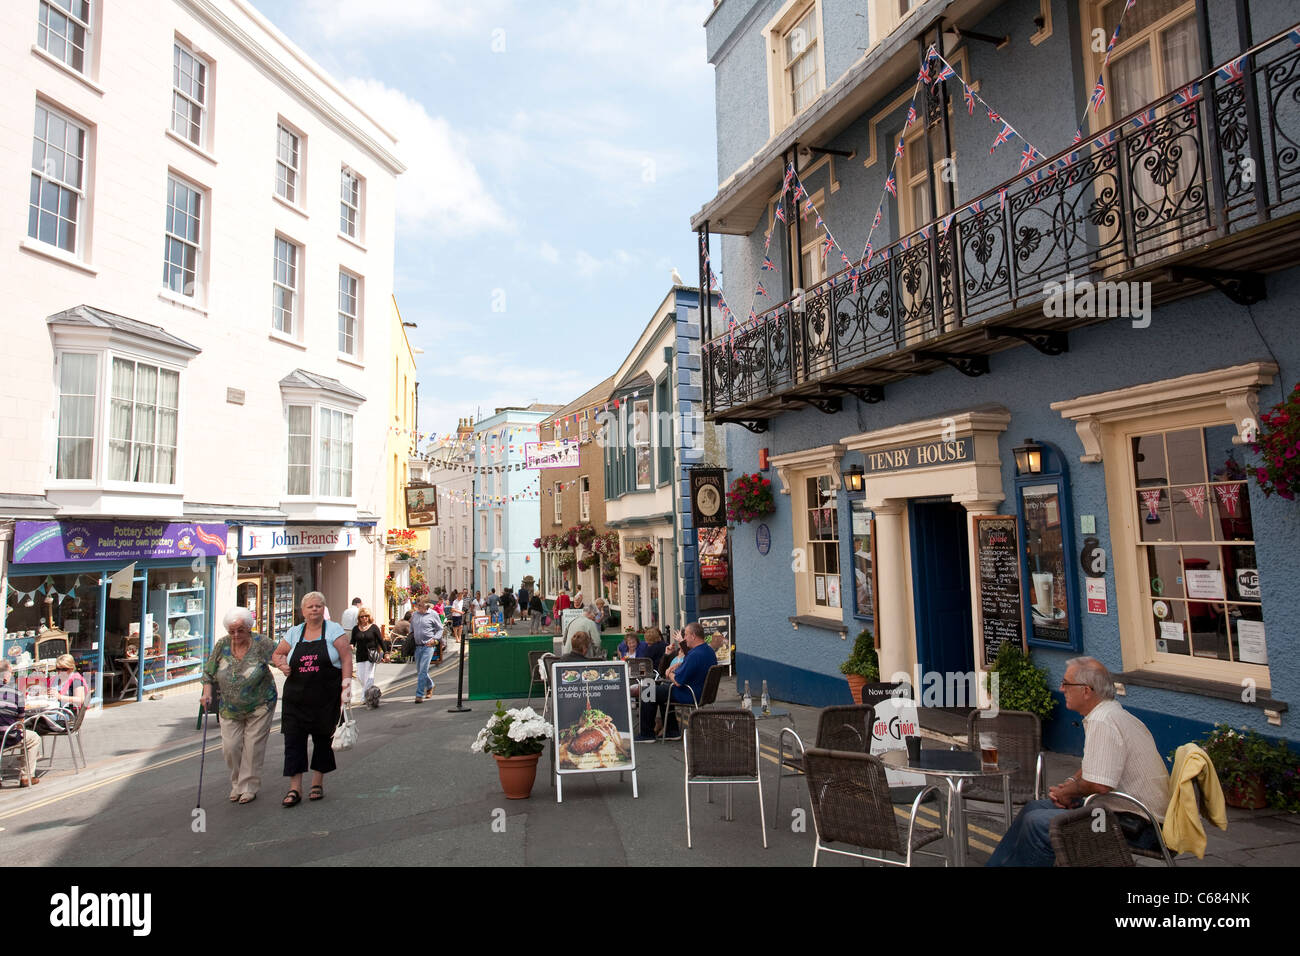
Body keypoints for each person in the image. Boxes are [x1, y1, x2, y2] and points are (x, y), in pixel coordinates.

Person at [986, 656, 1171, 866]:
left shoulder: (1103, 722)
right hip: (1121, 814)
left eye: (1066, 683)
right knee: (1033, 808)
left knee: (1037, 824)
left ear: (1086, 690)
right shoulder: (1110, 714)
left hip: (1139, 826)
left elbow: (1099, 784)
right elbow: (1095, 767)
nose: (1061, 688)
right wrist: (1070, 785)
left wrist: (1067, 793)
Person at [272, 592, 352, 807]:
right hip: (295, 698)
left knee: (322, 740)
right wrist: (282, 665)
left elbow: (346, 657)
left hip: (325, 697)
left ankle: (317, 782)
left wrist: (346, 686)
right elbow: (277, 654)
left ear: (323, 609)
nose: (314, 609)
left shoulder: (333, 630)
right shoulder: (294, 632)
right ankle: (294, 788)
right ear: (303, 611)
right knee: (293, 742)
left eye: (318, 606)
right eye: (310, 607)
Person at [201, 608, 278, 804]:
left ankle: (248, 786)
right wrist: (206, 693)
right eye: (232, 631)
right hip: (229, 707)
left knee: (252, 747)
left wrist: (286, 666)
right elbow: (209, 672)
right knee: (231, 747)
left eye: (240, 630)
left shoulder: (261, 643)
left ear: (249, 628)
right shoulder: (223, 645)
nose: (236, 635)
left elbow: (280, 657)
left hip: (260, 704)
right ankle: (236, 783)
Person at [637, 623, 717, 741]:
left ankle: (646, 734)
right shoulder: (708, 651)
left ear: (693, 636)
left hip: (689, 693)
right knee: (662, 690)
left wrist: (669, 672)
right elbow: (692, 667)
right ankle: (671, 730)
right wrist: (679, 665)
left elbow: (678, 681)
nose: (684, 639)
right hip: (703, 692)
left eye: (686, 635)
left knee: (648, 690)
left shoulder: (694, 655)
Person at [0, 659, 42, 786]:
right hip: (7, 737)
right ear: (7, 676)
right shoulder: (16, 694)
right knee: (33, 738)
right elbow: (20, 722)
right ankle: (26, 776)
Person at [36, 654, 90, 734]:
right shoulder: (55, 679)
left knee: (35, 721)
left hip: (67, 716)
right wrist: (43, 693)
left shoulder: (76, 680)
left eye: (63, 669)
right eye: (57, 669)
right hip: (53, 710)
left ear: (71, 669)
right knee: (31, 719)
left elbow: (80, 700)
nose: (59, 672)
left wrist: (60, 697)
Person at [408, 597, 444, 703]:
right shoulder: (415, 615)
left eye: (420, 605)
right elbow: (411, 629)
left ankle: (419, 695)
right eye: (417, 605)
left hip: (428, 646)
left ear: (426, 606)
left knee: (423, 670)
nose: (418, 607)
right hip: (417, 646)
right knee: (420, 671)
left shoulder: (433, 614)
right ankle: (430, 685)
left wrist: (435, 639)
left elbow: (440, 629)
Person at [350, 605, 385, 699]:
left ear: (369, 617)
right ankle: (373, 692)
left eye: (366, 616)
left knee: (369, 677)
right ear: (359, 618)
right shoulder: (355, 629)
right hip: (360, 655)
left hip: (371, 655)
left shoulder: (374, 627)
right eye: (362, 616)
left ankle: (364, 697)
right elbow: (352, 640)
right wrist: (351, 645)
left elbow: (381, 641)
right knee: (360, 677)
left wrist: (387, 653)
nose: (364, 618)